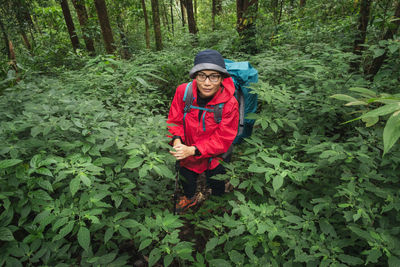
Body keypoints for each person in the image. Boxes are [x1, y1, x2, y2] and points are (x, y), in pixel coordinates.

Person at [167, 49, 239, 213]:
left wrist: (193, 150)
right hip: (187, 149)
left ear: (221, 78)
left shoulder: (229, 103)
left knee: (216, 179)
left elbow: (223, 139)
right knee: (187, 177)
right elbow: (174, 120)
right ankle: (191, 198)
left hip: (216, 155)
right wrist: (177, 141)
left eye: (214, 76)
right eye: (202, 75)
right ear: (195, 76)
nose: (207, 82)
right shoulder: (183, 92)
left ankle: (217, 201)